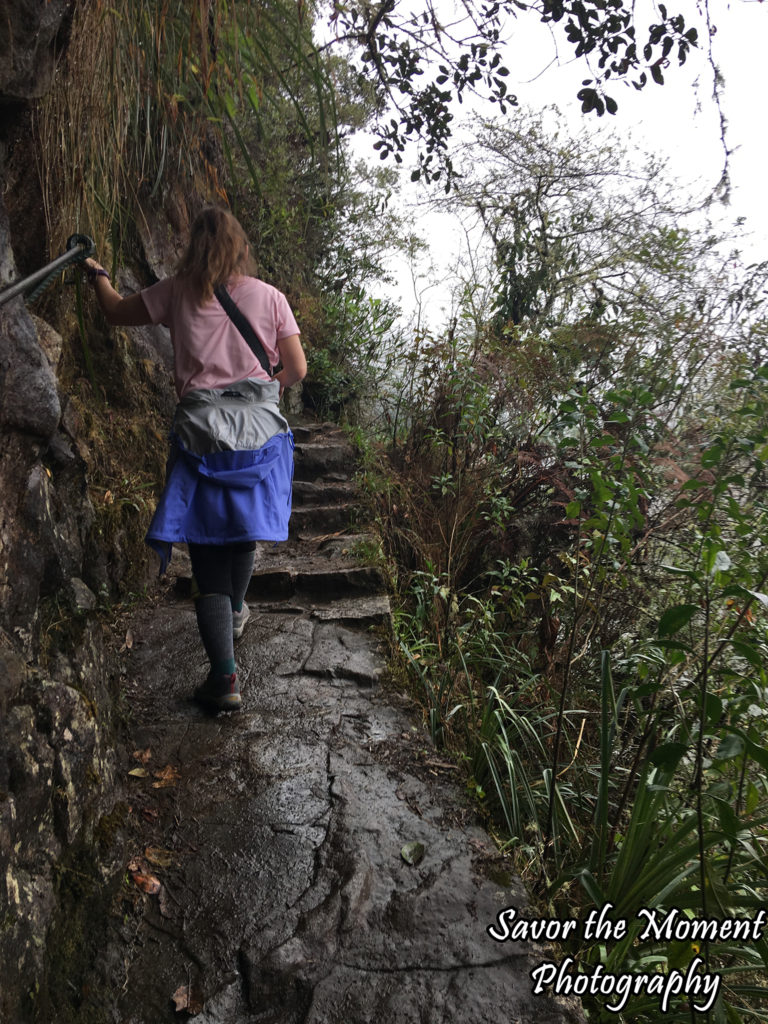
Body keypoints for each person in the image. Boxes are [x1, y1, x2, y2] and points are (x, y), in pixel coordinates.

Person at [85, 207, 307, 713]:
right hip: (257, 436)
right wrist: (258, 395)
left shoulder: (176, 291)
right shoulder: (271, 297)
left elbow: (116, 311)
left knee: (207, 555)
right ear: (239, 246)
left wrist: (97, 275)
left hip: (200, 434)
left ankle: (225, 679)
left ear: (193, 246)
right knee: (243, 531)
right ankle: (234, 612)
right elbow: (295, 367)